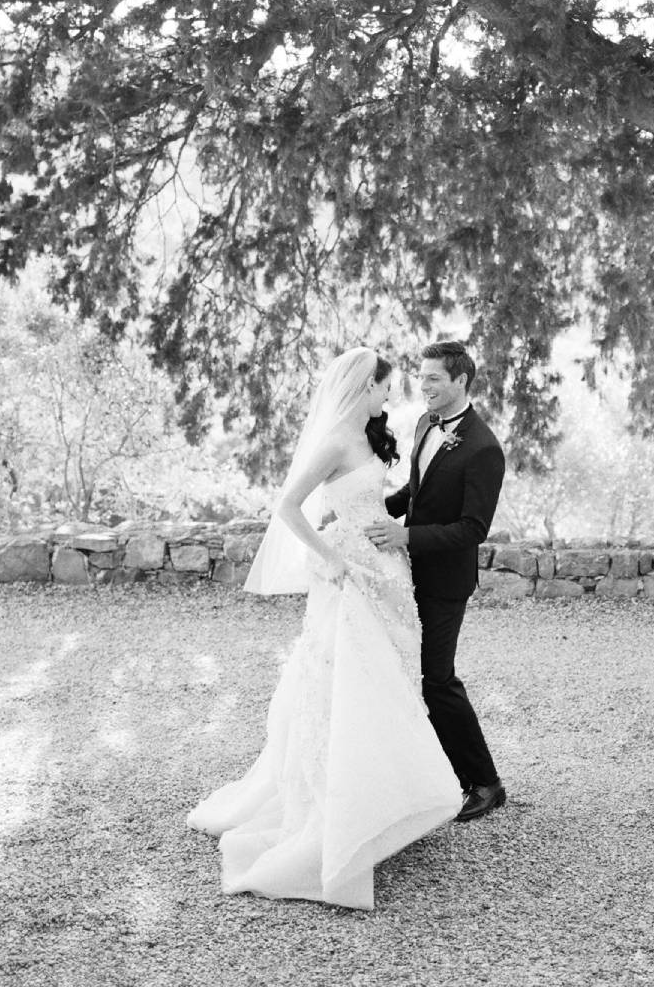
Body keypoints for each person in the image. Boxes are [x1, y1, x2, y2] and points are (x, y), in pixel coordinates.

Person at [186, 347, 460, 910]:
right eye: (386, 387)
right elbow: (288, 507)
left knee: (392, 684)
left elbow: (367, 499)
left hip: (385, 571)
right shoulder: (336, 438)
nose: (391, 396)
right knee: (353, 686)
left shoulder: (368, 433)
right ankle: (338, 810)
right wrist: (330, 556)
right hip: (352, 577)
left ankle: (384, 800)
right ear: (365, 386)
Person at [366, 340, 508, 822]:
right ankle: (440, 772)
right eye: (420, 377)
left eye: (433, 379)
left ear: (461, 382)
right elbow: (417, 490)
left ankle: (486, 783)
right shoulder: (426, 424)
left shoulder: (484, 449)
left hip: (446, 580)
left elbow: (473, 529)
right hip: (409, 571)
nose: (422, 386)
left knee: (438, 679)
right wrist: (372, 512)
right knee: (410, 672)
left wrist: (404, 535)